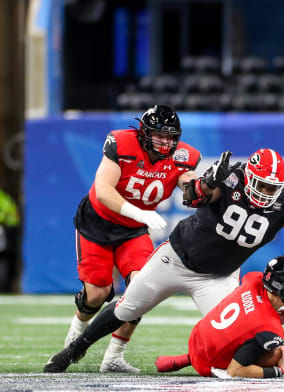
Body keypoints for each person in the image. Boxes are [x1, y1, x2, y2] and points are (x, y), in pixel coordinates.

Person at [43, 148, 284, 373]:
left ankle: (216, 366)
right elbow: (192, 196)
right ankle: (74, 350)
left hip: (217, 277)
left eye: (273, 188)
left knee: (239, 333)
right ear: (249, 175)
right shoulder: (231, 178)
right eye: (262, 185)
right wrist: (207, 182)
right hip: (176, 258)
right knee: (126, 308)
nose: (266, 194)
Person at [62, 104, 201, 374]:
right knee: (97, 294)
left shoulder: (184, 156)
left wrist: (200, 188)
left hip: (134, 230)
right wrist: (140, 212)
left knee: (141, 288)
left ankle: (114, 356)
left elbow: (188, 182)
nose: (165, 142)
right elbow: (103, 190)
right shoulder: (122, 143)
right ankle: (76, 331)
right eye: (159, 136)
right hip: (97, 223)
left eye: (171, 136)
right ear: (144, 133)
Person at [155, 255, 284, 379]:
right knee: (280, 354)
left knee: (250, 334)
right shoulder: (270, 328)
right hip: (208, 362)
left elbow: (249, 316)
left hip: (198, 337)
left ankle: (184, 359)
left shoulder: (253, 280)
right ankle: (201, 361)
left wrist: (272, 318)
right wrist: (279, 369)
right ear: (283, 288)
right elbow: (234, 371)